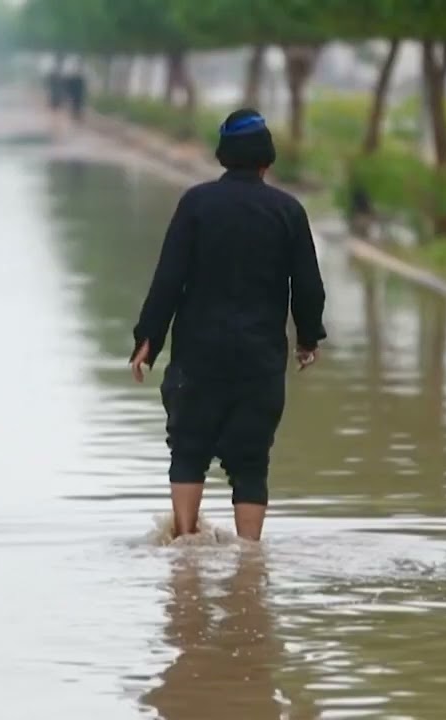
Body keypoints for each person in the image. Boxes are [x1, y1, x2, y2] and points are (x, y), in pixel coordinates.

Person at [130, 109, 327, 542]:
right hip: (259, 360)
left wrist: (149, 338)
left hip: (198, 356)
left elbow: (169, 278)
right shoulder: (288, 211)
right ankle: (250, 562)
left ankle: (183, 544)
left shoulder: (196, 204)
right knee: (252, 462)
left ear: (223, 156)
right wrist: (308, 338)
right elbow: (308, 286)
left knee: (188, 450)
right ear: (267, 160)